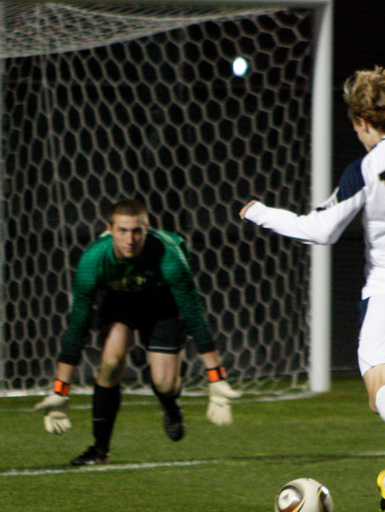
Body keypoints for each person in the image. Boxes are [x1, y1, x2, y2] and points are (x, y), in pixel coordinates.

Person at [240, 67, 385, 512]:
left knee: (381, 392)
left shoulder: (365, 169)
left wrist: (259, 212)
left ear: (363, 121)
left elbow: (320, 230)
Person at [35, 199, 241, 466]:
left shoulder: (169, 255)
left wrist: (216, 378)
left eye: (136, 231)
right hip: (120, 301)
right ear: (109, 229)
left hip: (162, 304)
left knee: (165, 384)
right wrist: (60, 390)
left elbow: (194, 316)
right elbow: (78, 326)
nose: (129, 239)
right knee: (111, 360)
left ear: (147, 229)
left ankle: (169, 404)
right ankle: (99, 449)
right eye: (122, 230)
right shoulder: (92, 261)